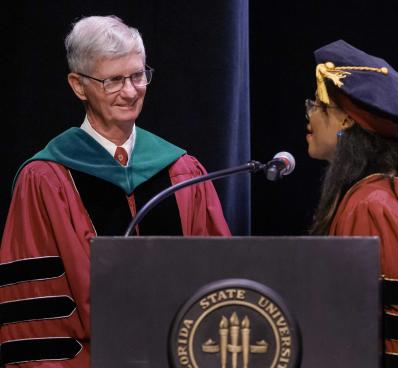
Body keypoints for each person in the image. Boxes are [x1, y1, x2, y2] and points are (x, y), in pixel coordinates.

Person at [0, 15, 230, 367]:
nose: (130, 91)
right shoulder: (46, 178)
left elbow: (219, 279)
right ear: (78, 86)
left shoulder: (182, 171)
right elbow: (36, 310)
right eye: (113, 80)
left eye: (138, 75)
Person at [305, 40, 398, 367]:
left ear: (346, 120)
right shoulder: (396, 187)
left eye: (317, 105)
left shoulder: (373, 204)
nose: (309, 115)